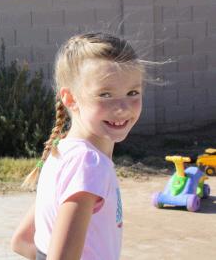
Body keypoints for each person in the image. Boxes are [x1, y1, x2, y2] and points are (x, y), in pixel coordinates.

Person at [11, 33, 145, 260]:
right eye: (105, 94)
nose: (123, 107)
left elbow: (22, 241)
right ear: (70, 99)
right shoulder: (89, 165)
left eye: (132, 92)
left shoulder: (62, 151)